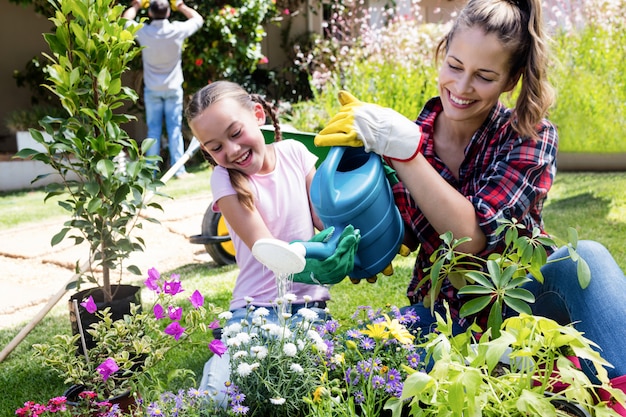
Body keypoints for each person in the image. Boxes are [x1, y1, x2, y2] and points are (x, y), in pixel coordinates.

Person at [314, 0, 626, 412]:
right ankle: (538, 383)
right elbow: (383, 239)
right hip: (445, 318)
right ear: (443, 53)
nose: (461, 88)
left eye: (484, 76)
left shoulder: (528, 136)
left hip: (525, 307)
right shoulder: (399, 135)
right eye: (455, 66)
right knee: (351, 362)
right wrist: (341, 253)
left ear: (510, 80)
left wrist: (407, 156)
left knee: (586, 257)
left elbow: (470, 239)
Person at [184, 80, 360, 405]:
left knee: (310, 390)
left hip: (308, 308)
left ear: (258, 115)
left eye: (235, 133)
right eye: (215, 147)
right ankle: (224, 354)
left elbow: (324, 222)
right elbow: (265, 248)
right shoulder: (224, 179)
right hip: (255, 309)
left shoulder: (296, 153)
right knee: (225, 398)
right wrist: (315, 258)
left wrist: (347, 233)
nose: (232, 150)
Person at [122, 0, 203, 179]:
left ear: (150, 13)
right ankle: (179, 171)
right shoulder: (176, 30)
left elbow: (124, 21)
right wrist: (180, 5)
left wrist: (136, 5)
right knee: (174, 129)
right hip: (173, 88)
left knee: (153, 130)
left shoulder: (144, 32)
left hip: (152, 89)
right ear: (168, 13)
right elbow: (198, 19)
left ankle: (151, 171)